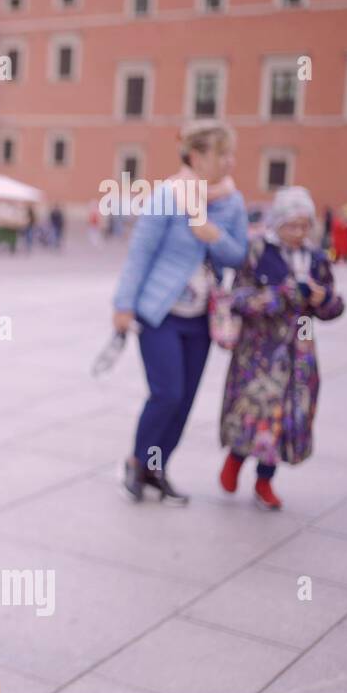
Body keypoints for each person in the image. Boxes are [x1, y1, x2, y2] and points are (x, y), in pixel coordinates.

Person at [113, 120, 249, 504]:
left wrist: (213, 235)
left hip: (203, 319)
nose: (229, 161)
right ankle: (138, 462)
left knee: (185, 399)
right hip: (161, 313)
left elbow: (238, 254)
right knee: (167, 393)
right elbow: (140, 252)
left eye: (230, 154)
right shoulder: (168, 195)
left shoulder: (231, 202)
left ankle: (158, 467)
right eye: (221, 154)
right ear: (196, 156)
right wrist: (123, 305)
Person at [219, 187, 344, 510]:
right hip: (259, 352)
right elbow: (239, 299)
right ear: (278, 223)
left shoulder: (316, 257)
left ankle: (265, 481)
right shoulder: (258, 250)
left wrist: (322, 298)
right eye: (292, 225)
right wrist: (280, 294)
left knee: (286, 419)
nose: (299, 233)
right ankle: (235, 459)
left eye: (305, 226)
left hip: (298, 353)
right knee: (253, 412)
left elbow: (334, 306)